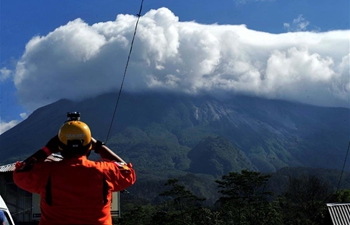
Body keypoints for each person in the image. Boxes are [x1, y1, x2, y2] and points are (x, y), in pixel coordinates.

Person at [13, 112, 136, 225]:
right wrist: (99, 146)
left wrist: (47, 149)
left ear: (59, 147)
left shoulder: (47, 172)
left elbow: (21, 172)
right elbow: (127, 171)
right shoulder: (104, 171)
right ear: (89, 147)